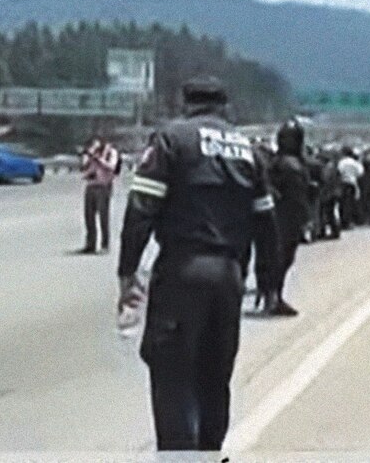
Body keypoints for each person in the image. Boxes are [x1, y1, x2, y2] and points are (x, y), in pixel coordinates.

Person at [116, 76, 280, 451]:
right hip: (229, 277)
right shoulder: (247, 149)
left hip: (182, 272)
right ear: (224, 106)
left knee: (172, 375)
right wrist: (269, 283)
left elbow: (141, 208)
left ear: (186, 103)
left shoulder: (172, 139)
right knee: (214, 378)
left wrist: (127, 271)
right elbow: (267, 222)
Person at [261, 119, 311, 316]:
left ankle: (271, 297)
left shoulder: (275, 162)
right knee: (282, 259)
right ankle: (274, 298)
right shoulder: (292, 165)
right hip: (287, 218)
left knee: (275, 259)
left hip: (275, 216)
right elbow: (298, 196)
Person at [79, 136, 119, 254]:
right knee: (89, 216)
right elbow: (83, 168)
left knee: (103, 217)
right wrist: (88, 158)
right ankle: (90, 244)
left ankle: (105, 245)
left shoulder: (111, 152)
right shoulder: (90, 154)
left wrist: (99, 160)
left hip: (104, 186)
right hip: (91, 186)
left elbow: (112, 167)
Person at [337, 146, 364, 229]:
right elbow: (360, 172)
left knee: (342, 204)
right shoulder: (355, 163)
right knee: (351, 204)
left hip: (343, 184)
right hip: (352, 184)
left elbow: (339, 171)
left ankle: (343, 222)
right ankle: (349, 222)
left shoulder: (341, 162)